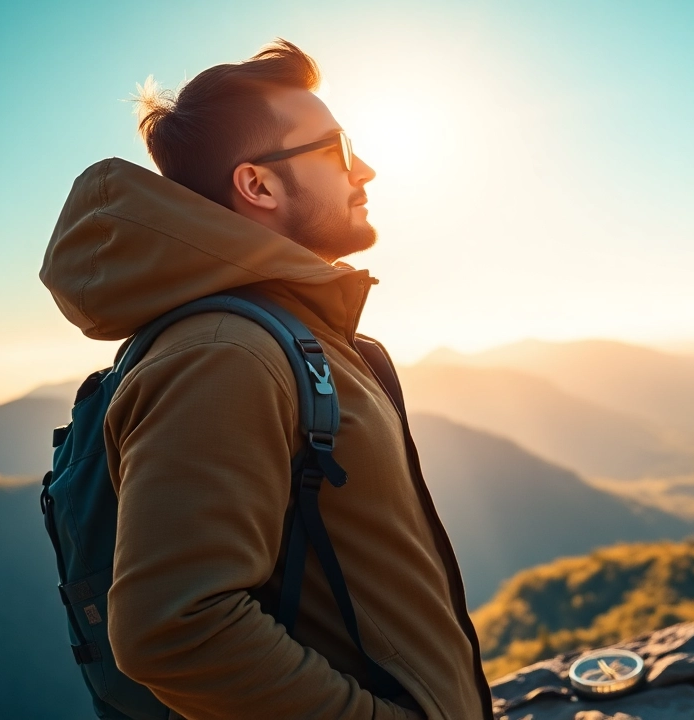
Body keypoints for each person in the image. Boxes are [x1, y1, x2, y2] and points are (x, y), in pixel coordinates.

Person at [40, 40, 493, 720]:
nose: (364, 169)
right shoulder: (226, 353)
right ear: (258, 184)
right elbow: (174, 628)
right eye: (336, 150)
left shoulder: (279, 334)